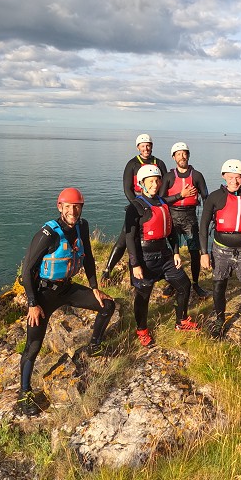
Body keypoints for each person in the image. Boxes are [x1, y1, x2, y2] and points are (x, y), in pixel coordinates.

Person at [16, 187, 116, 416]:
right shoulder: (48, 234)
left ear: (81, 207)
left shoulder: (82, 226)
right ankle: (24, 393)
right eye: (68, 206)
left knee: (107, 305)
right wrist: (32, 303)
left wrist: (94, 288)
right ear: (59, 207)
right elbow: (27, 270)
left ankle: (94, 346)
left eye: (77, 206)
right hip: (44, 294)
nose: (73, 211)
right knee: (33, 346)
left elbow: (88, 256)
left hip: (67, 288)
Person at [125, 164, 200, 347]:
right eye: (150, 181)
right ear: (142, 183)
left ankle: (181, 321)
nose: (155, 184)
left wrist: (175, 252)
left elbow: (172, 232)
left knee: (184, 284)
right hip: (145, 257)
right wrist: (135, 264)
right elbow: (129, 238)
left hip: (165, 255)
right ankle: (142, 329)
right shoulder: (135, 207)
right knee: (143, 296)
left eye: (157, 180)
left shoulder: (162, 202)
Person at [199, 159, 241, 342]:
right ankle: (220, 320)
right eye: (230, 177)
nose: (234, 181)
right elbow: (204, 226)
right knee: (218, 287)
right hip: (220, 251)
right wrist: (203, 253)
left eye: (237, 177)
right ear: (224, 176)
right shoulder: (214, 197)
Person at [101, 133, 169, 281]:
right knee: (124, 238)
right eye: (143, 146)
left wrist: (158, 201)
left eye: (148, 145)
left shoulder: (160, 163)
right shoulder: (132, 164)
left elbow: (165, 184)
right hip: (138, 204)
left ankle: (160, 267)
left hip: (155, 205)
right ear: (138, 147)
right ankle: (108, 269)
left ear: (152, 146)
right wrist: (137, 205)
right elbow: (127, 188)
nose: (146, 148)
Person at [159, 142, 210, 298]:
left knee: (194, 252)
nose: (182, 156)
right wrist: (180, 195)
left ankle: (195, 283)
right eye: (178, 154)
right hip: (172, 217)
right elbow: (160, 200)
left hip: (190, 217)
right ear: (174, 157)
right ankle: (172, 283)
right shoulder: (168, 176)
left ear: (188, 155)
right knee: (171, 253)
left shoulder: (197, 175)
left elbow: (206, 197)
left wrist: (209, 218)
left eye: (184, 153)